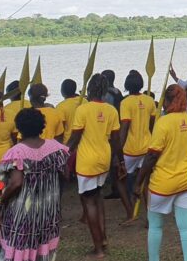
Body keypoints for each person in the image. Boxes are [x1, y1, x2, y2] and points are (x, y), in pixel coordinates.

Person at [0, 108, 70, 261]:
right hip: (48, 208)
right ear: (42, 126)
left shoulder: (17, 152)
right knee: (41, 243)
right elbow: (65, 174)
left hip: (23, 211)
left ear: (19, 128)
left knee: (19, 244)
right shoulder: (55, 148)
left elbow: (16, 183)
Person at [135, 84, 187, 261]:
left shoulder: (162, 123)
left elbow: (151, 156)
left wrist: (138, 182)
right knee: (186, 227)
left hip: (162, 184)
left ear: (167, 102)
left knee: (155, 226)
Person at [67, 74, 124, 258]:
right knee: (97, 197)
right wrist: (120, 161)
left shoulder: (82, 110)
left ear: (90, 88)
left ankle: (98, 249)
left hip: (87, 161)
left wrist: (62, 154)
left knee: (89, 201)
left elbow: (74, 138)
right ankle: (103, 238)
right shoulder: (111, 111)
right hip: (104, 159)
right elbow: (116, 140)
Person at [118, 70, 156, 222]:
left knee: (119, 180)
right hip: (147, 147)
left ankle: (129, 213)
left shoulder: (125, 102)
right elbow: (152, 125)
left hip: (130, 149)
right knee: (146, 182)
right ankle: (149, 217)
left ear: (127, 85)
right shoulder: (149, 100)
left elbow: (124, 128)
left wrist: (118, 152)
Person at [56, 79, 84, 144]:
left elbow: (60, 131)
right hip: (83, 142)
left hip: (68, 143)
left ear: (62, 91)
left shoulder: (61, 106)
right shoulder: (84, 101)